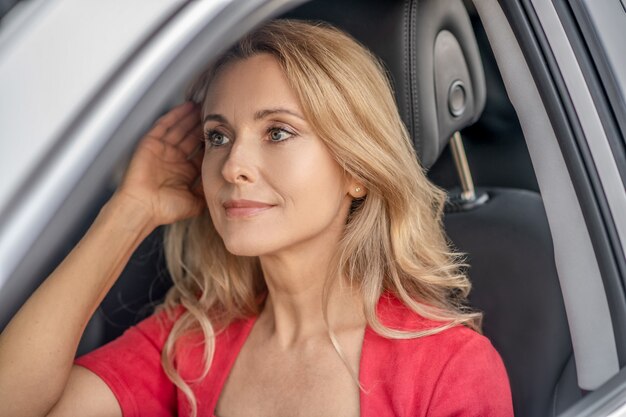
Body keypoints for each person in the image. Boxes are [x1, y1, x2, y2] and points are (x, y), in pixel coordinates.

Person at [0, 19, 513, 417]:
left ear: (356, 168)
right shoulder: (191, 341)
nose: (233, 166)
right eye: (217, 137)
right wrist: (129, 211)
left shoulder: (448, 367)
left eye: (278, 133)